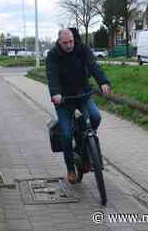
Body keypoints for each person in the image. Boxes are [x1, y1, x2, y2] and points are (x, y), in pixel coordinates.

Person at [46, 28, 111, 184]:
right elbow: (52, 75)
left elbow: (93, 66)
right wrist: (55, 93)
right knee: (67, 135)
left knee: (95, 117)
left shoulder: (82, 49)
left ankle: (85, 148)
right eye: (65, 43)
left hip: (82, 93)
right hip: (63, 99)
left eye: (71, 42)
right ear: (59, 42)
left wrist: (103, 82)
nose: (69, 45)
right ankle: (70, 168)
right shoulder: (53, 55)